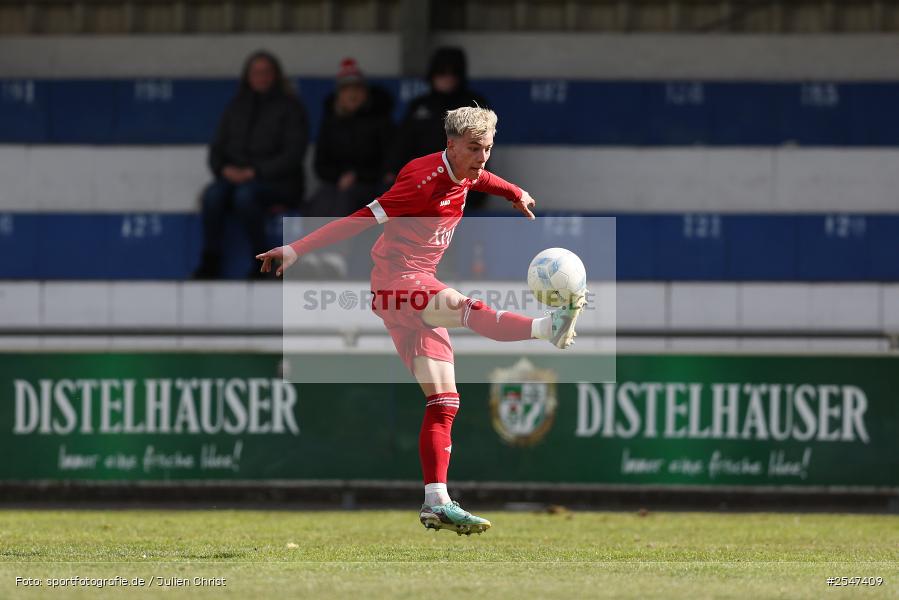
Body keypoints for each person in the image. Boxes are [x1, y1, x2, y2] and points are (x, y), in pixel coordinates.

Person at [256, 107, 586, 536]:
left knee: (445, 401)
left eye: (487, 148)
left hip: (413, 287)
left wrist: (513, 191)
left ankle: (437, 502)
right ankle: (547, 327)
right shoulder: (419, 179)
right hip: (398, 282)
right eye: (474, 149)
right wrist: (296, 249)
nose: (482, 157)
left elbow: (482, 179)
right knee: (468, 309)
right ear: (450, 145)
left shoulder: (467, 170)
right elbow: (357, 221)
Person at [193, 50, 309, 279]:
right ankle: (210, 260)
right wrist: (224, 169)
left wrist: (254, 172)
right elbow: (217, 149)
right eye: (255, 72)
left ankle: (262, 261)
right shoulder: (236, 106)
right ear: (247, 76)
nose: (261, 77)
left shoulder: (291, 107)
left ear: (276, 75)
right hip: (237, 178)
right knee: (212, 195)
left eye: (266, 72)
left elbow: (293, 154)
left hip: (279, 182)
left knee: (245, 197)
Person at [386, 47, 491, 210]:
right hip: (424, 179)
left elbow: (480, 148)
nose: (447, 78)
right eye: (441, 73)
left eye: (453, 73)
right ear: (432, 75)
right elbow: (402, 145)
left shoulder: (474, 105)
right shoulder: (419, 106)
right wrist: (392, 172)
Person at [308, 58, 394, 218]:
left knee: (346, 201)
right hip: (336, 183)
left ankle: (340, 243)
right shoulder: (330, 122)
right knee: (319, 203)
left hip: (370, 185)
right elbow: (320, 164)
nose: (352, 95)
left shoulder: (380, 121)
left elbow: (388, 163)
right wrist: (339, 177)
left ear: (365, 93)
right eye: (346, 90)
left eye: (357, 89)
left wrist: (357, 176)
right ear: (339, 95)